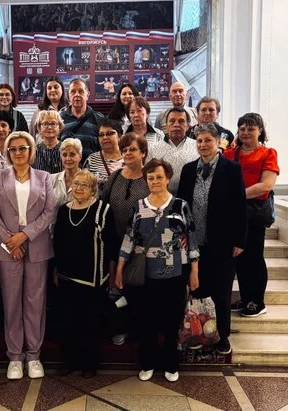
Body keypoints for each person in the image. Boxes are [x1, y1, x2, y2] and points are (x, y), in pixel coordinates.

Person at [115, 158, 199, 383]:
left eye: (159, 177)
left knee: (172, 321)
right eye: (150, 177)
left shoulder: (180, 205)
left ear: (168, 178)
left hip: (175, 273)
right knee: (147, 321)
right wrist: (120, 268)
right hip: (146, 274)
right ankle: (148, 362)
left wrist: (194, 271)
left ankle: (171, 363)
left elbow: (191, 237)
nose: (155, 181)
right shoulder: (139, 207)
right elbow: (129, 238)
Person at [0, 131, 57, 380]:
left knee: (35, 303)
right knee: (12, 302)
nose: (18, 152)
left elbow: (49, 211)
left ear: (31, 151)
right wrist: (10, 240)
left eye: (22, 148)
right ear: (8, 153)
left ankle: (34, 355)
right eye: (13, 149)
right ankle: (15, 357)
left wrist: (24, 235)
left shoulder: (44, 177)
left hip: (37, 247)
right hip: (8, 249)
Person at [177, 123, 246, 356]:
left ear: (217, 142)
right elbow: (181, 206)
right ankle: (198, 334)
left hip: (222, 242)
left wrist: (239, 241)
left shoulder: (231, 169)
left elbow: (239, 206)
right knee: (198, 289)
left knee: (221, 291)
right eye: (199, 141)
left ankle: (222, 336)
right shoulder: (188, 170)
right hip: (194, 242)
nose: (203, 145)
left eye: (208, 140)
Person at [53, 170, 118, 378]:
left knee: (90, 322)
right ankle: (69, 361)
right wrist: (56, 269)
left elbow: (112, 245)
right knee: (67, 320)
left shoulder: (103, 210)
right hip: (66, 276)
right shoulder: (63, 210)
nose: (79, 188)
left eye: (85, 185)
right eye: (76, 184)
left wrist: (112, 275)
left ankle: (89, 363)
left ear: (93, 190)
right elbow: (58, 243)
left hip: (94, 278)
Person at [223, 113, 279, 317]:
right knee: (238, 257)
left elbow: (266, 185)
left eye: (251, 128)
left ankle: (257, 301)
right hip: (234, 213)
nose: (246, 132)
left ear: (260, 131)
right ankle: (246, 298)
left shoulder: (268, 153)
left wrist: (237, 195)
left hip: (254, 213)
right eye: (242, 128)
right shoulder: (229, 153)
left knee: (254, 257)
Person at [100, 132, 150, 346]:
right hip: (116, 242)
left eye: (133, 149)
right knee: (117, 290)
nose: (128, 153)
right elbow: (103, 204)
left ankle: (140, 330)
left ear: (143, 153)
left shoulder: (150, 177)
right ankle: (121, 327)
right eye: (125, 149)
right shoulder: (115, 177)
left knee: (139, 290)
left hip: (142, 245)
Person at [148, 107, 199, 193]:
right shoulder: (153, 149)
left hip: (190, 197)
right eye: (172, 121)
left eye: (181, 121)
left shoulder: (197, 147)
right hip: (161, 197)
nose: (176, 125)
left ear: (188, 126)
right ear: (166, 125)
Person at [60, 79, 104, 162]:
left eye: (81, 91)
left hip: (92, 168)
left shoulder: (99, 118)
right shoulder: (60, 118)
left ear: (87, 95)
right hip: (67, 167)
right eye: (73, 92)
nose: (77, 94)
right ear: (68, 95)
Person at [84, 118, 124, 189]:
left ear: (119, 136)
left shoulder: (129, 157)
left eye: (110, 133)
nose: (105, 137)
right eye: (101, 135)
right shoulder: (91, 160)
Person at [52, 138, 83, 206]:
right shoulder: (51, 179)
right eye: (64, 155)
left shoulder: (89, 181)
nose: (68, 158)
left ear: (80, 156)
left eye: (72, 154)